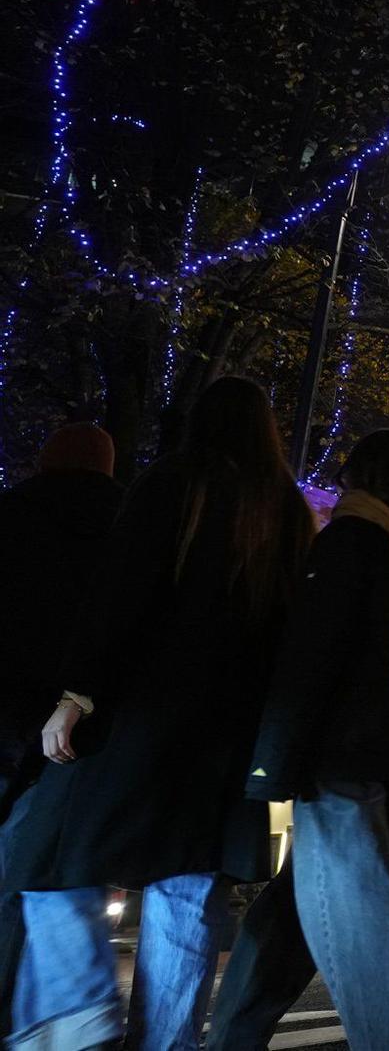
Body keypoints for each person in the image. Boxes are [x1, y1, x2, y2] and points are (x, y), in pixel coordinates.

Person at [4, 386, 312, 1051]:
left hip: (143, 718)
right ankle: (165, 1042)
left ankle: (78, 1011)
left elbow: (122, 592)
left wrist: (78, 693)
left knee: (57, 860)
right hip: (228, 734)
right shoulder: (283, 508)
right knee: (187, 894)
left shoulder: (174, 483)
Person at [206, 428, 389, 1050]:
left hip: (343, 748)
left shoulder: (356, 536)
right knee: (304, 907)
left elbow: (313, 651)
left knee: (354, 913)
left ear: (356, 477)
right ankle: (234, 1034)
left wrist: (273, 759)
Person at [0, 422, 125, 1041]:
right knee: (44, 865)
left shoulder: (13, 516)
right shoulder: (128, 524)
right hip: (81, 725)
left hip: (9, 712)